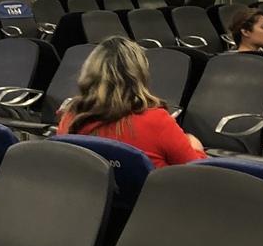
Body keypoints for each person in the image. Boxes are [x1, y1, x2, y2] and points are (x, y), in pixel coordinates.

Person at [56, 36, 206, 168]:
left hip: (92, 193)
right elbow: (197, 174)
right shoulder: (157, 121)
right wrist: (196, 147)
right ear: (139, 76)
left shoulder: (70, 118)